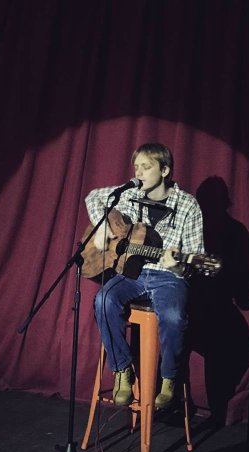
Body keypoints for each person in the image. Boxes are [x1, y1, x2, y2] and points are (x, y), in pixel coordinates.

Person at [85, 143, 205, 408]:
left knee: (173, 317)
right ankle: (122, 370)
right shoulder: (128, 194)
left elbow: (194, 261)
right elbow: (93, 197)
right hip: (132, 271)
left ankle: (169, 377)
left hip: (168, 276)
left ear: (164, 170)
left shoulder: (188, 206)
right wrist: (103, 225)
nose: (138, 173)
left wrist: (176, 266)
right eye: (136, 166)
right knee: (103, 300)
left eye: (146, 167)